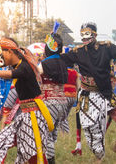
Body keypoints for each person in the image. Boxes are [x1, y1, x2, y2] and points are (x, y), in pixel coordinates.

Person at [0, 37, 54, 164]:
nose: (1, 58)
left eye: (2, 54)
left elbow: (11, 74)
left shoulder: (24, 67)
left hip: (33, 117)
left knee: (30, 153)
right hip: (26, 116)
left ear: (9, 51)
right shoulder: (20, 66)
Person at [60, 22, 116, 163]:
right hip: (88, 97)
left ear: (94, 34)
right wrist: (53, 49)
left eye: (87, 34)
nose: (84, 38)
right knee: (91, 129)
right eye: (82, 35)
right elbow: (60, 60)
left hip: (106, 93)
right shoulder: (78, 52)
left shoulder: (107, 48)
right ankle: (98, 157)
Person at [37, 31, 69, 164]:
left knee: (45, 134)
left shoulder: (44, 64)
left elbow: (35, 77)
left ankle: (50, 160)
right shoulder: (63, 62)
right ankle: (48, 156)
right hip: (62, 103)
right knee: (52, 133)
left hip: (49, 103)